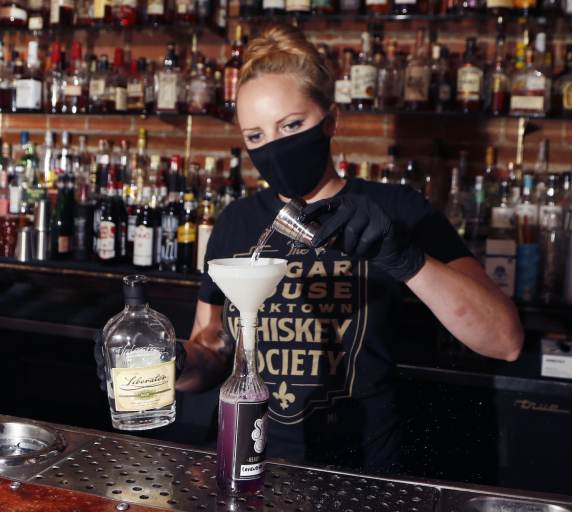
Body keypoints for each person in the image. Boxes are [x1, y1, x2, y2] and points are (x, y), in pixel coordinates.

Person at [175, 23, 524, 473]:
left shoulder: (397, 209)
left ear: (332, 120)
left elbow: (504, 340)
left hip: (366, 472)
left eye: (292, 125)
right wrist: (173, 360)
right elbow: (215, 349)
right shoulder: (236, 222)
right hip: (252, 462)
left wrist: (405, 257)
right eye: (256, 137)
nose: (275, 149)